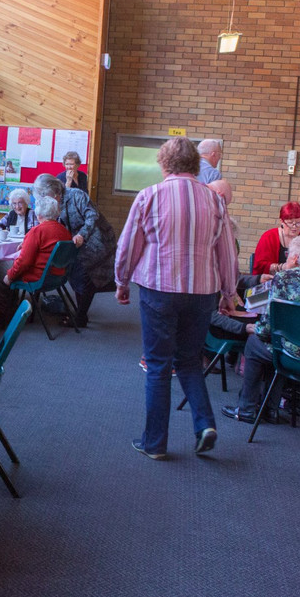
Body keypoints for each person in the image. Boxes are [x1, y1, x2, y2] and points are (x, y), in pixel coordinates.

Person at [115, 136, 237, 459]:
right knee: (189, 361)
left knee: (158, 365)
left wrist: (122, 281)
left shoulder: (149, 196)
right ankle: (205, 425)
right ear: (196, 164)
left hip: (158, 289)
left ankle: (155, 444)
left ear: (164, 164)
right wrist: (229, 292)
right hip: (202, 293)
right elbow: (227, 252)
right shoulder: (215, 201)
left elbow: (128, 245)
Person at [222, 234, 300, 424]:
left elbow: (268, 326)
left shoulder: (284, 278)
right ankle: (270, 409)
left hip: (292, 354)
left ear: (295, 258)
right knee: (276, 346)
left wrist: (256, 329)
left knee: (257, 344)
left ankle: (246, 409)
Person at [33, 174, 116, 328]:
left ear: (55, 190)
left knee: (85, 274)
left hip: (96, 238)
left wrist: (82, 234)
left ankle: (80, 317)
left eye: (45, 194)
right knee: (75, 274)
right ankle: (81, 314)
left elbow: (92, 215)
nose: (43, 198)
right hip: (75, 242)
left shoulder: (76, 195)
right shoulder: (50, 201)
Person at [0, 196, 70, 322]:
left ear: (39, 214)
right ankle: (11, 303)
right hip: (58, 276)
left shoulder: (37, 231)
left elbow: (24, 262)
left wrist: (10, 276)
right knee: (9, 266)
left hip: (39, 277)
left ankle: (1, 311)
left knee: (0, 266)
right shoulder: (64, 231)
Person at [252, 202, 300, 275]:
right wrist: (283, 267)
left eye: (298, 223)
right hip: (271, 279)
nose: (294, 227)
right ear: (282, 221)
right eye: (290, 223)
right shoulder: (269, 237)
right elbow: (260, 266)